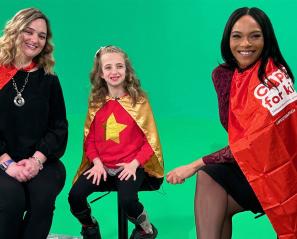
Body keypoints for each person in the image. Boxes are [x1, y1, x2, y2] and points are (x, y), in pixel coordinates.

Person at [167, 7, 297, 239]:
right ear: (228, 39)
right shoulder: (225, 76)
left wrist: (192, 165)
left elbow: (251, 143)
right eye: (237, 36)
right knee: (210, 178)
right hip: (252, 166)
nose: (245, 44)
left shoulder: (275, 76)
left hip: (284, 176)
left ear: (266, 39)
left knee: (211, 192)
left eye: (254, 35)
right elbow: (236, 132)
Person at [68, 45, 164, 239]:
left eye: (119, 66)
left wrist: (134, 164)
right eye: (108, 67)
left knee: (128, 200)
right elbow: (91, 140)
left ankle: (146, 228)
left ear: (126, 70)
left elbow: (150, 141)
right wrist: (96, 162)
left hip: (130, 165)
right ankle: (89, 227)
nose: (114, 71)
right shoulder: (96, 103)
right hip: (102, 165)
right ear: (101, 73)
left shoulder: (140, 101)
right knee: (75, 196)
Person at [0, 8, 68, 239]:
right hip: (0, 161)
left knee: (42, 199)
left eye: (41, 35)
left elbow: (59, 127)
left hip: (41, 161)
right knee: (12, 201)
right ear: (15, 32)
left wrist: (36, 159)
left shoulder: (49, 79)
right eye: (29, 32)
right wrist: (7, 163)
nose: (35, 40)